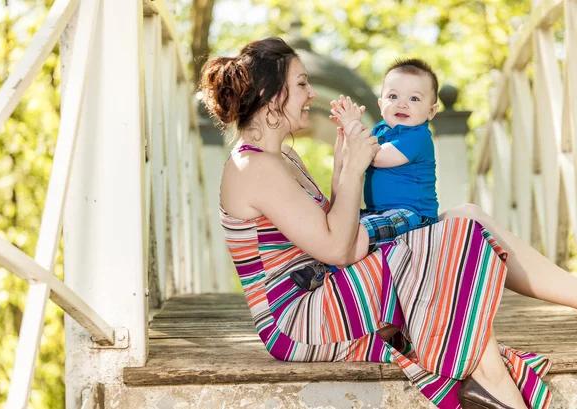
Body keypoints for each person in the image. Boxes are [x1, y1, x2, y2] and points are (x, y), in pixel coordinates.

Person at [199, 36, 577, 409]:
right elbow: (338, 249)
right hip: (297, 321)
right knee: (448, 237)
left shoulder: (280, 160)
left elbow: (331, 225)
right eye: (300, 84)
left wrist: (344, 163)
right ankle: (494, 384)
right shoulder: (254, 167)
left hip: (325, 291)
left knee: (466, 215)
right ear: (270, 95)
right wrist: (354, 172)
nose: (311, 93)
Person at [290, 58, 440, 291]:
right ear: (381, 104)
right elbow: (351, 161)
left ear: (431, 111)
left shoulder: (417, 137)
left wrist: (354, 128)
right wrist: (344, 138)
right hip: (380, 213)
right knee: (341, 225)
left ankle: (325, 270)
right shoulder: (380, 131)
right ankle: (322, 265)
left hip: (413, 215)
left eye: (414, 98)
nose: (402, 104)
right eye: (393, 97)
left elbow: (377, 156)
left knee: (361, 231)